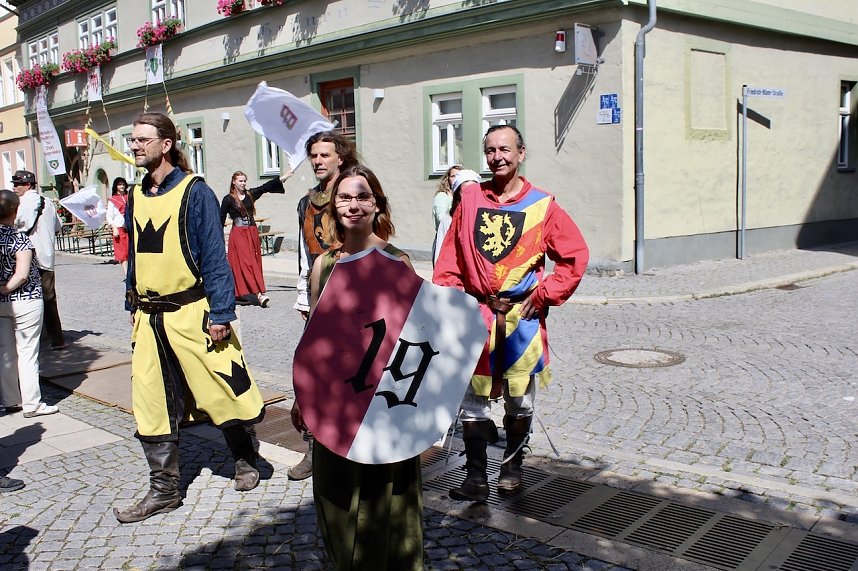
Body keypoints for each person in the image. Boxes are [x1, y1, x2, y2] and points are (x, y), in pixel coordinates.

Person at [113, 112, 265, 524]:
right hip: (150, 316)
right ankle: (163, 489)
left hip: (193, 312)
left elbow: (215, 257)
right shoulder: (138, 194)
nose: (135, 146)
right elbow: (136, 258)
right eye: (133, 139)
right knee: (150, 399)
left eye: (143, 139)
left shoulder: (195, 192)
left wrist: (221, 312)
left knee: (219, 386)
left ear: (166, 144)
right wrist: (132, 304)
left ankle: (245, 457)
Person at [433, 125, 589, 501]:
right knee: (472, 403)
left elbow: (574, 256)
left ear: (521, 152)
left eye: (504, 149)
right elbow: (449, 262)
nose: (497, 157)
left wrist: (547, 293)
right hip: (477, 318)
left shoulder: (542, 205)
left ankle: (512, 467)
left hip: (522, 321)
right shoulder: (470, 201)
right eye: (489, 150)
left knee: (520, 401)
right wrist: (456, 303)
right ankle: (474, 478)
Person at [291, 164, 423, 570]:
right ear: (333, 206)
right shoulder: (323, 265)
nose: (353, 204)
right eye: (345, 197)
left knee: (387, 500)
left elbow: (416, 344)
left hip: (384, 402)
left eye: (363, 196)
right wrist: (302, 397)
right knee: (337, 500)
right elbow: (314, 337)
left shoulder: (397, 263)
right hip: (334, 403)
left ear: (376, 204)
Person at [288, 130, 358, 481]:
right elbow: (305, 253)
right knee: (313, 374)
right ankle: (314, 448)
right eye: (314, 155)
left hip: (352, 297)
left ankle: (351, 448)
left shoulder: (354, 195)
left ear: (340, 157)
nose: (318, 161)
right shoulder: (306, 201)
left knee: (354, 375)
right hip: (319, 294)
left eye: (325, 155)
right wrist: (305, 295)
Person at [0, 189, 58, 419]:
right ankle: (32, 403)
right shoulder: (19, 238)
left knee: (5, 352)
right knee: (27, 353)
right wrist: (7, 287)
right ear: (15, 211)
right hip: (26, 301)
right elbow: (22, 274)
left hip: (2, 305)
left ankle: (10, 400)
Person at [12, 170, 67, 350]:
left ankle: (35, 337)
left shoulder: (23, 203)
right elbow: (58, 227)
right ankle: (56, 338)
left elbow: (18, 226)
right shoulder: (48, 202)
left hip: (29, 257)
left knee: (29, 299)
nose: (14, 187)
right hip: (47, 255)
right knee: (49, 299)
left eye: (17, 184)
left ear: (27, 184)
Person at [220, 170, 291, 307]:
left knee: (254, 263)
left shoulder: (250, 194)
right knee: (245, 263)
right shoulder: (228, 199)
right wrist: (218, 240)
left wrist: (284, 177)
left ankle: (244, 292)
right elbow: (220, 218)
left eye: (244, 181)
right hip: (238, 234)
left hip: (252, 233)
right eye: (240, 181)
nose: (243, 183)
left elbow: (266, 187)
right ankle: (259, 294)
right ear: (234, 182)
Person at [432, 164, 463, 266]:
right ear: (448, 178)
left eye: (458, 175)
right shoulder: (443, 196)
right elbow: (441, 218)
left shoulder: (463, 196)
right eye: (452, 176)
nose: (455, 178)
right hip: (444, 238)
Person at [107, 177, 130, 275]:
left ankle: (132, 272)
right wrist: (114, 228)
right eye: (120, 184)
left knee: (131, 250)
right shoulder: (113, 200)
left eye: (123, 184)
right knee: (122, 252)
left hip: (129, 227)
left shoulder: (129, 197)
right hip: (119, 228)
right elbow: (109, 216)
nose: (122, 186)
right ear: (116, 186)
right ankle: (126, 274)